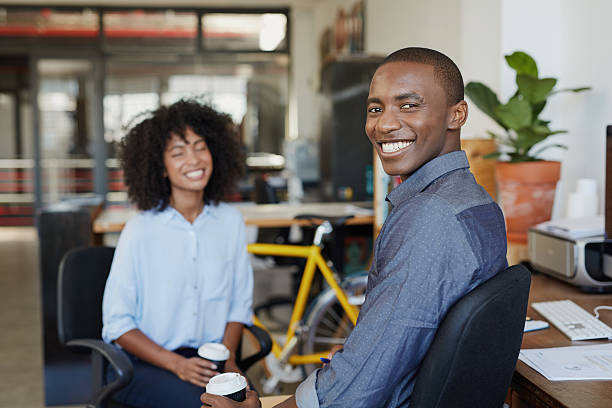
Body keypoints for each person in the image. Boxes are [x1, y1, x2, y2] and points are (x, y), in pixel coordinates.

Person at [201, 47, 508, 408]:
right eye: (375, 108)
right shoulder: (474, 201)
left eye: (409, 105)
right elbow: (396, 345)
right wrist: (361, 351)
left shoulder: (430, 217)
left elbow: (360, 389)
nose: (384, 124)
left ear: (456, 114)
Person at [102, 99, 253, 408]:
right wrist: (176, 364)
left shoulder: (230, 222)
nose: (194, 160)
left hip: (210, 361)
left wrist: (230, 359)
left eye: (200, 147)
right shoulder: (140, 230)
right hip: (144, 364)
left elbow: (239, 305)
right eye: (178, 152)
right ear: (161, 167)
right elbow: (117, 324)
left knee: (248, 401)